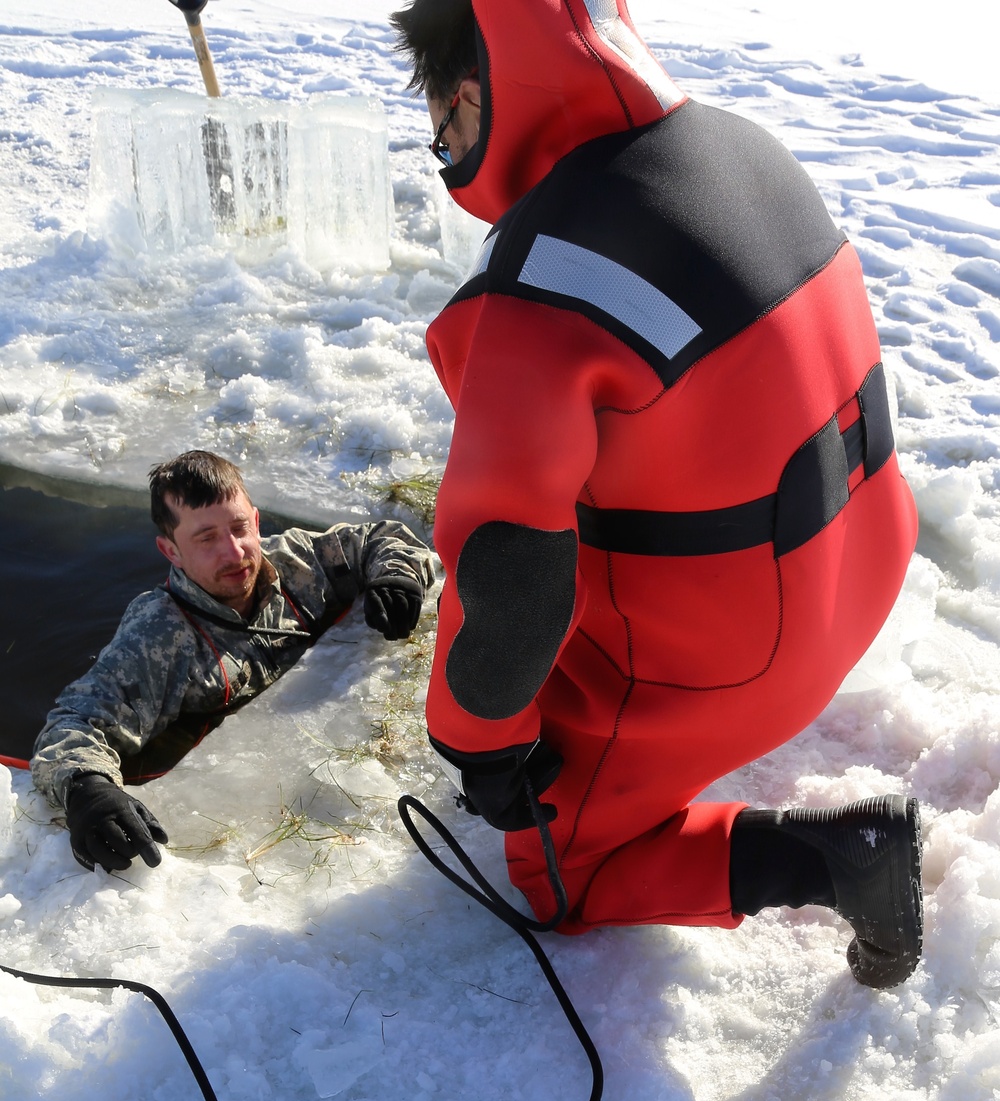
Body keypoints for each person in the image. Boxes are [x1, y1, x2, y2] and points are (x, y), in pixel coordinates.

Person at [391, 0, 923, 988]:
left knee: (561, 873)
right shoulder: (736, 143)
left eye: (441, 125)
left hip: (744, 658)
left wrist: (481, 742)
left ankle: (840, 857)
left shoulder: (541, 280)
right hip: (861, 562)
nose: (443, 147)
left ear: (475, 96)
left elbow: (507, 556)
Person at [31, 450, 434, 875]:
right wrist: (86, 788)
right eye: (206, 538)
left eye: (240, 528)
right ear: (171, 550)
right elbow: (73, 723)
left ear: (256, 522)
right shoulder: (158, 635)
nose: (234, 551)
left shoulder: (296, 560)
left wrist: (396, 575)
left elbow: (383, 538)